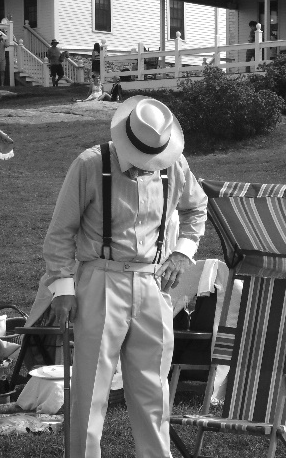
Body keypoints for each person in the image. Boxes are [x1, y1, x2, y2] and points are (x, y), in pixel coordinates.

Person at [45, 96, 208, 457]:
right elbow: (60, 232)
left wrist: (182, 253)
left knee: (154, 389)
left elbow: (197, 208)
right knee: (91, 389)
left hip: (153, 282)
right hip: (101, 279)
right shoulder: (90, 164)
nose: (146, 166)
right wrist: (63, 287)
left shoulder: (174, 164)